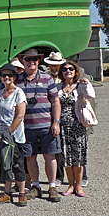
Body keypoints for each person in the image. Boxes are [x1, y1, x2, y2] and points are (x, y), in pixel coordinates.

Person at [16, 49, 62, 202]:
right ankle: (35, 186)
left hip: (46, 125)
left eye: (34, 59)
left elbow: (56, 101)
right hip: (26, 127)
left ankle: (52, 187)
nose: (31, 62)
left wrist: (56, 121)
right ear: (23, 61)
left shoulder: (47, 78)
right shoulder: (17, 80)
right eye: (28, 59)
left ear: (39, 61)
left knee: (50, 156)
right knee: (30, 157)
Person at [0, 63, 28, 207]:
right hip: (1, 135)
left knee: (17, 164)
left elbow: (20, 116)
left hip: (14, 136)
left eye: (10, 75)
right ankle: (7, 193)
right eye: (4, 75)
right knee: (5, 165)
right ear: (0, 77)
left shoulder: (19, 93)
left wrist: (8, 133)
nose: (7, 77)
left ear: (14, 77)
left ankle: (21, 193)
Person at [57, 61, 94, 197]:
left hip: (77, 125)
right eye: (65, 69)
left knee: (78, 156)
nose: (68, 71)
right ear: (62, 73)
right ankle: (70, 185)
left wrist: (86, 82)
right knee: (66, 156)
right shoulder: (58, 87)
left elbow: (91, 95)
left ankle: (79, 186)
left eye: (71, 69)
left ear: (75, 71)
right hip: (63, 127)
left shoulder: (80, 86)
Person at [44, 51, 67, 187]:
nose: (54, 68)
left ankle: (79, 175)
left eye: (56, 65)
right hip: (51, 117)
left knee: (70, 147)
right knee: (55, 149)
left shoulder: (66, 78)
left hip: (67, 116)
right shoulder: (46, 78)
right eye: (52, 65)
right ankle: (59, 175)